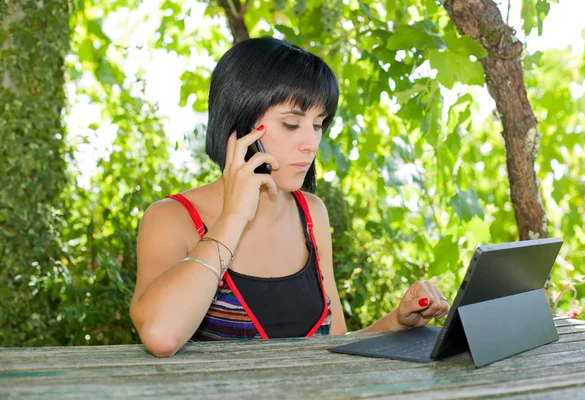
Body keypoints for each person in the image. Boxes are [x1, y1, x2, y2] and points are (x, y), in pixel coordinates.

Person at [130, 37, 450, 357]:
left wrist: (396, 323)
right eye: (292, 124)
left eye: (318, 124)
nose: (310, 143)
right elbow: (161, 335)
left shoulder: (312, 215)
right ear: (239, 124)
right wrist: (234, 218)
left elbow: (332, 346)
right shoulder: (170, 218)